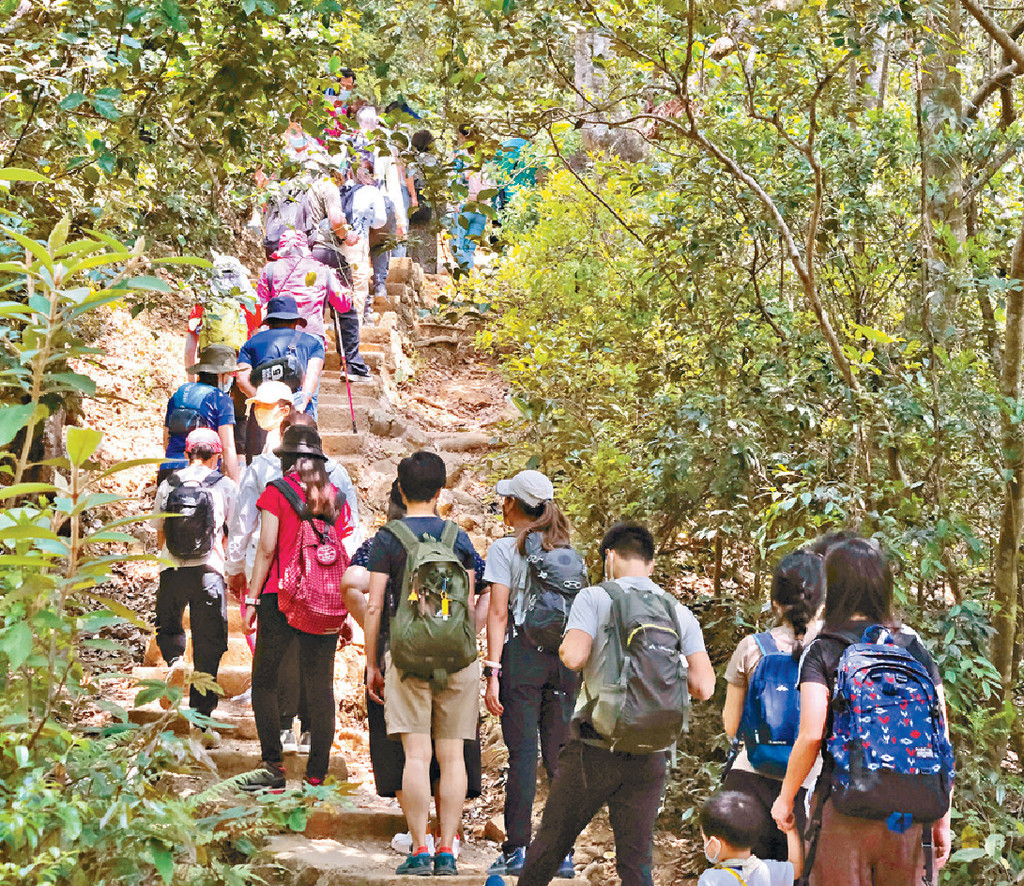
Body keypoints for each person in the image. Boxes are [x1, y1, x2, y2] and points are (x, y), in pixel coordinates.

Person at [514, 522, 716, 886]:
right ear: (650, 565)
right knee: (636, 863)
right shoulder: (677, 611)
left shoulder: (594, 597)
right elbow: (705, 686)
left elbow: (574, 657)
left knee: (550, 844)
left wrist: (565, 645)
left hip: (595, 748)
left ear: (609, 556)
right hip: (651, 753)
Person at [770, 538, 953, 886]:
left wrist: (785, 798)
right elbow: (941, 736)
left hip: (845, 808)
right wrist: (942, 818)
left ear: (832, 588)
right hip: (912, 815)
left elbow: (810, 734)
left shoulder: (822, 649)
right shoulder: (913, 648)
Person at [343, 479, 488, 859]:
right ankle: (448, 844)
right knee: (452, 756)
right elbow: (483, 591)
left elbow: (361, 593)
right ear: (439, 493)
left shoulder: (384, 540)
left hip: (405, 657)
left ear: (401, 495)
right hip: (455, 658)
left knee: (416, 756)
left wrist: (375, 656)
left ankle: (420, 846)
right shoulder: (458, 539)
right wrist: (468, 634)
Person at [225, 398, 359, 755]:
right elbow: (347, 540)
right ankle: (315, 757)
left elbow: (260, 541)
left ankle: (278, 746)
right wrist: (346, 595)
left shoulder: (273, 484)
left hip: (276, 586)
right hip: (324, 587)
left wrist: (246, 587)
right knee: (320, 677)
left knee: (271, 670)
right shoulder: (336, 487)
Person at [483, 470, 581, 878]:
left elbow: (498, 611)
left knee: (524, 756)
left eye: (507, 499)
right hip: (563, 662)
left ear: (516, 505)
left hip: (521, 658)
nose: (503, 505)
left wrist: (491, 670)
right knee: (559, 757)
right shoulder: (569, 551)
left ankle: (518, 849)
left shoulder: (505, 550)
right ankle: (564, 853)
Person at [720, 549, 824, 861]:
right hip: (809, 790)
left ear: (775, 602)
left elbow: (730, 725)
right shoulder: (835, 652)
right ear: (823, 602)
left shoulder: (752, 647)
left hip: (748, 780)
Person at [151, 428, 239, 746]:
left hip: (172, 570)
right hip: (209, 572)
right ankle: (201, 724)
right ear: (216, 457)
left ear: (187, 453)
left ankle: (174, 661)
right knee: (210, 646)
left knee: (170, 626)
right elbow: (233, 531)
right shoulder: (224, 485)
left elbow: (160, 531)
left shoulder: (169, 484)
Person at [235, 294, 326, 459]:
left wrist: (264, 401)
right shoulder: (314, 344)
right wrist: (299, 405)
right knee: (302, 464)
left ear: (268, 323)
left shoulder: (250, 344)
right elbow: (312, 377)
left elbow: (241, 379)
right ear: (296, 322)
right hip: (299, 417)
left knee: (259, 465)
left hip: (263, 417)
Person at [161, 344, 241, 485]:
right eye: (229, 374)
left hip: (169, 471)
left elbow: (166, 438)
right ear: (220, 374)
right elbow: (228, 447)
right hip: (202, 477)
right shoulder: (221, 399)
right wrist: (235, 483)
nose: (230, 379)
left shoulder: (180, 393)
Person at [256, 229, 350, 346]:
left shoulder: (269, 269)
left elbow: (259, 305)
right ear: (306, 248)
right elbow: (343, 305)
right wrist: (347, 291)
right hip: (312, 336)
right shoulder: (323, 270)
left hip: (276, 337)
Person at [337, 155, 385, 378]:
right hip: (358, 246)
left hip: (335, 247)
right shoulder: (372, 192)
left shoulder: (340, 189)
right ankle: (350, 360)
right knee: (356, 297)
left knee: (338, 297)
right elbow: (380, 221)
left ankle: (342, 352)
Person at [698, 790, 803, 886]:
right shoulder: (769, 869)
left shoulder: (711, 879)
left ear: (715, 844)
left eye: (705, 840)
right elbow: (796, 868)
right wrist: (791, 831)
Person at [447, 124, 491, 271]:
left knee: (457, 247)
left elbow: (454, 180)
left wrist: (454, 202)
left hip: (464, 207)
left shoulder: (459, 156)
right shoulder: (485, 157)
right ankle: (471, 285)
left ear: (462, 135)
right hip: (481, 208)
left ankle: (471, 276)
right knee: (469, 248)